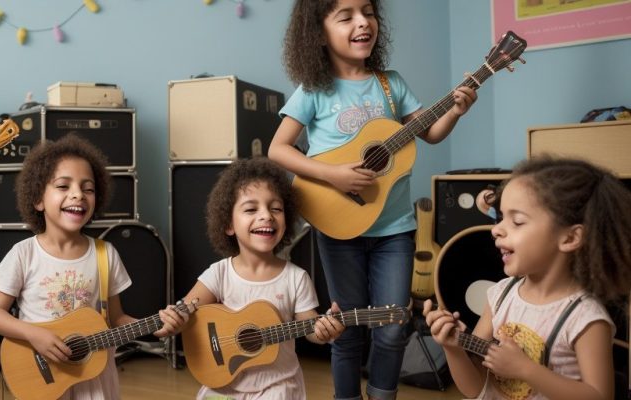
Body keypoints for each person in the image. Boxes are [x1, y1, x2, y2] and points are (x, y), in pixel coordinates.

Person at [266, 1, 478, 398]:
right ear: (318, 33)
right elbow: (279, 149)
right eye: (345, 16)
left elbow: (428, 134)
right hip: (339, 228)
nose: (362, 22)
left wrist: (455, 111)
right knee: (345, 327)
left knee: (394, 326)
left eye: (367, 12)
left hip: (395, 228)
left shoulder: (391, 84)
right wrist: (334, 174)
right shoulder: (315, 89)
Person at [0, 135, 189, 399]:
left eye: (87, 188)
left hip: (94, 378)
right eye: (63, 186)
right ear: (38, 200)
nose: (78, 194)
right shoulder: (24, 254)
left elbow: (117, 319)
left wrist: (155, 326)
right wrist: (34, 335)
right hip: (45, 376)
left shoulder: (105, 254)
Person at [424, 157, 630, 400]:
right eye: (500, 217)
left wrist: (526, 370)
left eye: (517, 221)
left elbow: (600, 396)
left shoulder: (585, 319)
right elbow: (474, 388)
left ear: (569, 238)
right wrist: (454, 348)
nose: (496, 229)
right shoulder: (500, 295)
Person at [181, 157, 345, 399]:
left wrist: (324, 331)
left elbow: (310, 327)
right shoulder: (219, 273)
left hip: (277, 384)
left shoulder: (296, 278)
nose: (266, 216)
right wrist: (176, 316)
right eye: (251, 209)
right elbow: (186, 309)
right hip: (225, 382)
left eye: (275, 208)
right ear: (228, 224)